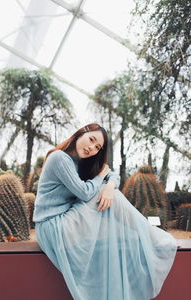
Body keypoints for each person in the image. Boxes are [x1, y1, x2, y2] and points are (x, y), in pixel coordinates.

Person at [33, 123, 177, 300]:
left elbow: (112, 175)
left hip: (65, 221)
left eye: (97, 147)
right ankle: (149, 235)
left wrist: (109, 185)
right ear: (81, 133)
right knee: (105, 194)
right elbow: (85, 193)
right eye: (91, 139)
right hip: (52, 225)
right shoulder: (59, 158)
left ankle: (144, 234)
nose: (91, 148)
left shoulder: (80, 163)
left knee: (110, 193)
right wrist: (101, 178)